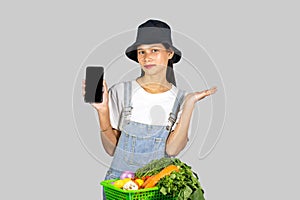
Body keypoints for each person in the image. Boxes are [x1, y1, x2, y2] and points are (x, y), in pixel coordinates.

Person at [82, 19, 217, 194]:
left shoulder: (181, 98)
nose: (147, 57)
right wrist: (103, 111)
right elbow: (111, 150)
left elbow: (172, 149)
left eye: (154, 50)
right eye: (141, 51)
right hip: (121, 188)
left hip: (159, 189)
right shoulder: (121, 91)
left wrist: (189, 104)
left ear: (169, 53)